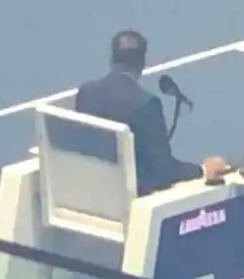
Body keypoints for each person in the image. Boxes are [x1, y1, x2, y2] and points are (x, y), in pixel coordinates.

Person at [74, 31, 231, 194]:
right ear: (142, 63)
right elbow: (165, 170)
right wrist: (203, 170)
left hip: (94, 189)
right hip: (131, 194)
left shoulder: (86, 93)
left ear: (112, 59)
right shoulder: (146, 104)